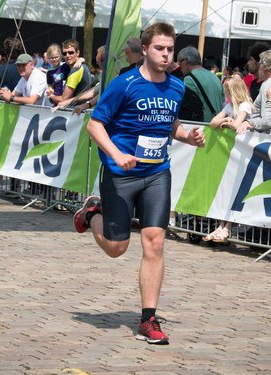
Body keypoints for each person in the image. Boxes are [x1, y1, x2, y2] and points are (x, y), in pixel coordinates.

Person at [73, 22, 205, 345]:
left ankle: (148, 320)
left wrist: (188, 135)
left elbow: (169, 123)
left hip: (157, 173)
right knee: (118, 248)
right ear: (144, 50)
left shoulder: (176, 87)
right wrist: (117, 154)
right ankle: (93, 214)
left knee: (155, 242)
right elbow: (95, 124)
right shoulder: (124, 84)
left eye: (170, 49)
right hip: (121, 175)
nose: (166, 54)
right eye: (160, 48)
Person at [204, 78, 254, 242]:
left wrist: (228, 122)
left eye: (227, 92)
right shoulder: (230, 106)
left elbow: (237, 124)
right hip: (230, 152)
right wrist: (226, 120)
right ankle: (220, 225)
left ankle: (227, 227)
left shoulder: (244, 105)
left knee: (235, 189)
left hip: (242, 153)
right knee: (225, 189)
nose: (225, 95)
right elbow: (213, 122)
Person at [178, 46, 225, 123]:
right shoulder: (216, 78)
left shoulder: (189, 79)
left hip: (200, 128)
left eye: (180, 64)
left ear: (185, 61)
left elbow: (188, 110)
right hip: (217, 128)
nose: (180, 68)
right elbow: (224, 105)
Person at [47, 39, 92, 106]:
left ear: (78, 53)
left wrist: (51, 97)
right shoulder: (80, 66)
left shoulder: (75, 70)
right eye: (64, 53)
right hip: (80, 110)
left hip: (76, 112)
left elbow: (64, 99)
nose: (67, 55)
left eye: (71, 52)